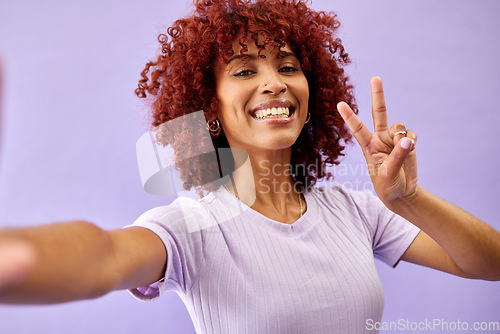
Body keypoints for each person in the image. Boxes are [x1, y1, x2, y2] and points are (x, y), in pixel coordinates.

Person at [0, 0, 499, 332]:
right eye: (244, 71)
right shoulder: (190, 228)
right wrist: (18, 257)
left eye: (287, 66)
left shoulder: (355, 210)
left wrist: (408, 199)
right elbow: (102, 256)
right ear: (209, 109)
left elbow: (489, 264)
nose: (275, 83)